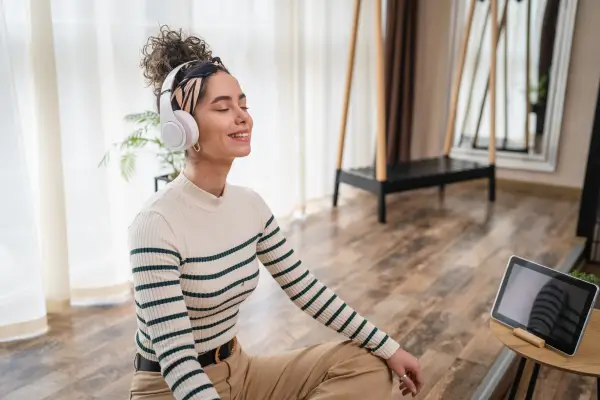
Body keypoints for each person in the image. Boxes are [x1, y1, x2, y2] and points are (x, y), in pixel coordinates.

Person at [129, 25, 423, 400]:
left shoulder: (250, 205)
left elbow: (306, 290)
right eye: (223, 107)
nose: (242, 117)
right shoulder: (156, 225)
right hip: (171, 390)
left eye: (243, 104)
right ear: (182, 128)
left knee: (368, 364)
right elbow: (179, 363)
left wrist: (389, 347)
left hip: (240, 370)